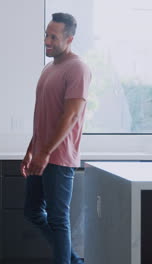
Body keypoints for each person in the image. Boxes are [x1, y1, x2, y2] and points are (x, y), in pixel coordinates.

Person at [21, 13, 91, 264]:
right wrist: (31, 149)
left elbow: (71, 116)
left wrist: (45, 152)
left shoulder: (78, 68)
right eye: (46, 35)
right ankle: (73, 260)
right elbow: (44, 115)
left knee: (58, 219)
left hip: (59, 158)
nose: (47, 41)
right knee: (31, 212)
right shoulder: (49, 68)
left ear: (69, 38)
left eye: (54, 36)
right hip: (42, 153)